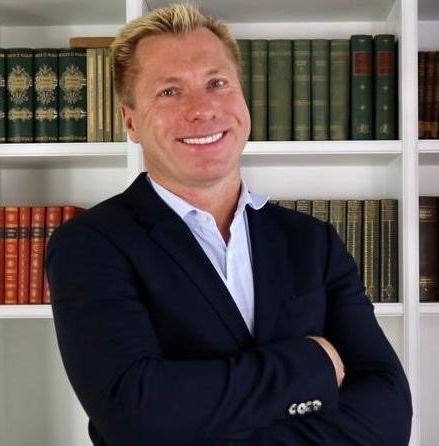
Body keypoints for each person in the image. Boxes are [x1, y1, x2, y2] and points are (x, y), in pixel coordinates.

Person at [46, 3, 412, 445]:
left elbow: (389, 414)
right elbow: (134, 415)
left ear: (243, 98)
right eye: (169, 91)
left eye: (217, 83)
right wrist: (312, 365)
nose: (202, 109)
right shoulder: (90, 244)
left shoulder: (312, 241)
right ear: (131, 121)